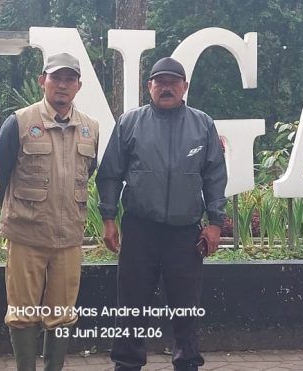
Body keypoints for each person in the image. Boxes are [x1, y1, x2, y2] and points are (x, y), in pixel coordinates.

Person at [96, 57, 227, 371]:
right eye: (160, 82)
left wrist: (215, 223)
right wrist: (109, 218)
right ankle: (126, 363)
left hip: (185, 233)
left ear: (185, 87)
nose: (166, 87)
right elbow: (110, 173)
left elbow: (215, 176)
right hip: (140, 230)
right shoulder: (130, 123)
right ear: (149, 87)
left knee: (185, 307)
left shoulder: (203, 124)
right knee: (131, 306)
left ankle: (187, 364)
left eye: (173, 82)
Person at [0, 52, 99, 371]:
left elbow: (89, 171)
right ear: (43, 81)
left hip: (68, 238)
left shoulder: (91, 129)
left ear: (79, 86)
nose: (63, 85)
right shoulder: (20, 122)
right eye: (56, 78)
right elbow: (0, 176)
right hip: (26, 236)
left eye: (70, 79)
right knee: (23, 312)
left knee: (62, 313)